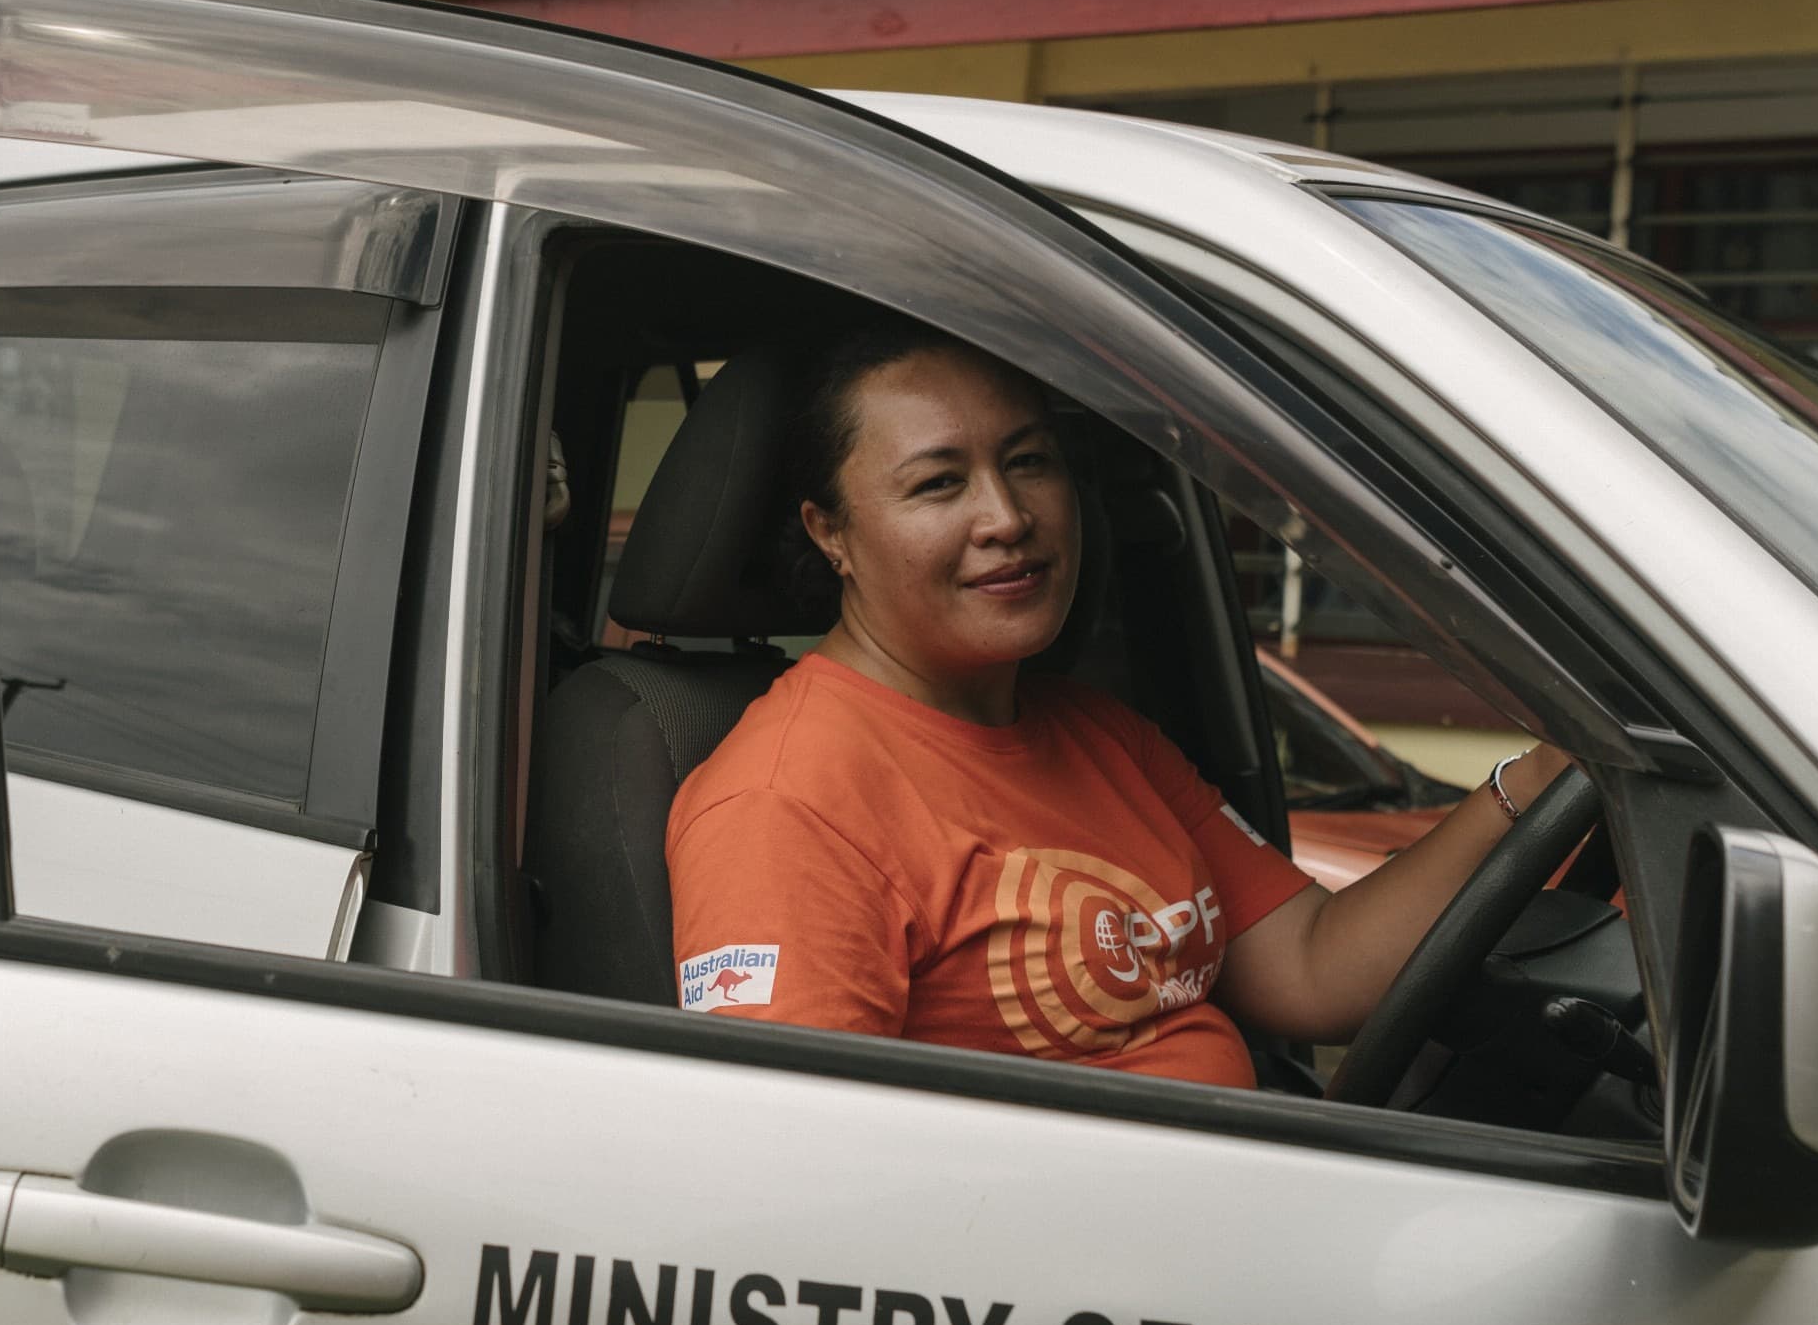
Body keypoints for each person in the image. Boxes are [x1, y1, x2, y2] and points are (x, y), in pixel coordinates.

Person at [665, 324, 1571, 1088]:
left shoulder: (1099, 733)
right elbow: (801, 1167)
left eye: (1029, 462)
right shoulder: (784, 805)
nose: (1007, 516)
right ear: (831, 533)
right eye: (939, 482)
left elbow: (1311, 964)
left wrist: (1536, 781)